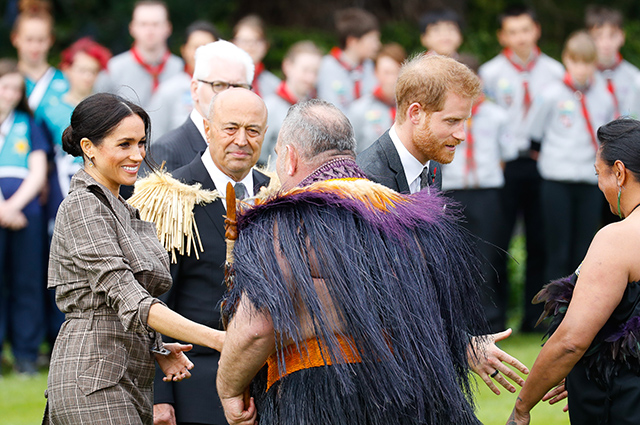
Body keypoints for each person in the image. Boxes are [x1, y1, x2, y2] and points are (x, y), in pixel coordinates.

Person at [217, 99, 527, 425]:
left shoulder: (281, 223)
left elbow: (256, 328)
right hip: (407, 393)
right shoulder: (409, 215)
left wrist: (228, 388)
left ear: (290, 157)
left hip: (316, 398)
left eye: (278, 156)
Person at [44, 92, 225, 424]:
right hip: (93, 376)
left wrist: (157, 348)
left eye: (141, 143)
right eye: (124, 144)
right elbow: (130, 298)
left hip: (127, 372)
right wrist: (216, 339)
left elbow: (126, 301)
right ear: (88, 148)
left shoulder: (124, 208)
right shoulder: (83, 205)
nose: (138, 154)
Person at [356, 53, 527, 396]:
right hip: (383, 376)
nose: (462, 134)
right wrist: (460, 344)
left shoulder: (430, 164)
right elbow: (384, 292)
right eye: (451, 121)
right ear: (415, 112)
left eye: (465, 121)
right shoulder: (370, 181)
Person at [506, 118, 640, 425]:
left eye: (599, 174)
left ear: (619, 172)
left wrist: (522, 407)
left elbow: (570, 341)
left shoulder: (618, 239)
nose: (599, 184)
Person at [151, 88, 270, 425]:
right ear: (207, 128)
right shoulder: (173, 197)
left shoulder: (276, 192)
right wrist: (160, 398)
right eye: (230, 128)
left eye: (253, 130)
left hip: (270, 385)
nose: (241, 140)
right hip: (196, 380)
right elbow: (155, 300)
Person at [479, 5, 564, 332]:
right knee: (498, 240)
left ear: (536, 31)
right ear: (502, 36)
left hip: (541, 162)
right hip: (504, 165)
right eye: (512, 31)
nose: (520, 38)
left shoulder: (555, 71)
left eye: (525, 30)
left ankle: (537, 318)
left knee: (540, 240)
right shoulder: (490, 73)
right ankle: (496, 319)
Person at [525, 31, 614, 286]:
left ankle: (581, 312)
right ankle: (555, 313)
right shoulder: (551, 93)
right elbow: (535, 135)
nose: (582, 68)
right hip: (557, 180)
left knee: (584, 250)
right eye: (576, 61)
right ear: (566, 59)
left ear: (595, 62)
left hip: (589, 180)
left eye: (587, 62)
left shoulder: (603, 95)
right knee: (557, 249)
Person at [441, 53, 509, 332]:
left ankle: (490, 321)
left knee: (487, 257)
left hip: (486, 191)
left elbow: (506, 155)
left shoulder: (496, 115)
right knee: (455, 257)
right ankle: (459, 322)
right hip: (454, 189)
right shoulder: (444, 116)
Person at [0, 58, 49, 376]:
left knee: (27, 283)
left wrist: (14, 206)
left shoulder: (30, 125)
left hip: (26, 213)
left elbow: (38, 170)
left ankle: (26, 354)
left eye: (16, 89)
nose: (10, 94)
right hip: (5, 210)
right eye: (5, 86)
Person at [149, 40, 254, 174]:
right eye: (219, 85)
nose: (230, 95)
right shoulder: (166, 151)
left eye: (239, 87)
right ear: (195, 89)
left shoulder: (250, 147)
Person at [93, 0, 183, 109]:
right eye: (143, 24)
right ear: (132, 28)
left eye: (156, 24)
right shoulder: (114, 69)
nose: (150, 30)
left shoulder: (180, 68)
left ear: (168, 28)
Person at [148, 20, 219, 140]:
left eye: (208, 47)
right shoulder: (168, 91)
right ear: (184, 50)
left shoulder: (228, 90)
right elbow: (154, 136)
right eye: (196, 47)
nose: (202, 53)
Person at [261, 40, 322, 166]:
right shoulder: (269, 107)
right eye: (305, 70)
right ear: (288, 66)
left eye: (315, 72)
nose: (310, 78)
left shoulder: (316, 109)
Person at [10, 0, 69, 124]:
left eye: (41, 40)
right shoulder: (6, 79)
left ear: (51, 40)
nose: (35, 47)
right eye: (29, 39)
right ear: (15, 38)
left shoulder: (66, 81)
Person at [317, 8, 380, 112]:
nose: (377, 45)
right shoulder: (328, 66)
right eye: (372, 39)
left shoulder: (369, 66)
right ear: (352, 41)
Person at [348, 42, 405, 153]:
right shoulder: (360, 109)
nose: (392, 79)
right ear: (376, 73)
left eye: (396, 72)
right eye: (386, 73)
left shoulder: (412, 109)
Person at [586, 6, 640, 119]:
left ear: (622, 36)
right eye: (598, 36)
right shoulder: (582, 77)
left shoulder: (635, 77)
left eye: (612, 35)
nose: (606, 43)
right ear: (589, 38)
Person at [232, 15, 280, 99]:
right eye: (243, 41)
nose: (250, 46)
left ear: (266, 45)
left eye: (256, 41)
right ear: (233, 43)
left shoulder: (274, 85)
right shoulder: (223, 80)